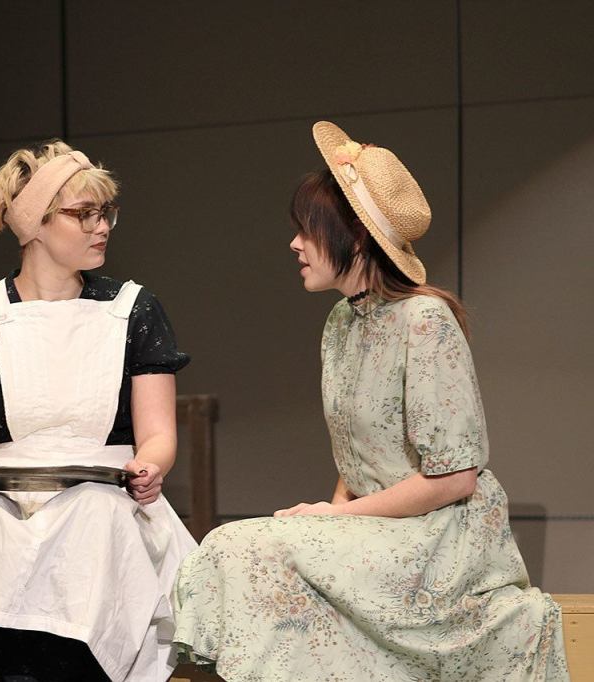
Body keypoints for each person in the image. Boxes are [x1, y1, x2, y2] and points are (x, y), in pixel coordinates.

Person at [171, 122, 570, 681]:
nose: (294, 244)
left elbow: (455, 478)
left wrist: (336, 518)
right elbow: (355, 457)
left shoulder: (424, 320)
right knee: (239, 547)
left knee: (242, 546)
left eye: (307, 231)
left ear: (355, 238)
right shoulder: (341, 322)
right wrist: (332, 517)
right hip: (381, 529)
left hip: (441, 539)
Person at [0, 140, 197, 682]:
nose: (102, 226)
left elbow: (158, 435)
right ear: (35, 224)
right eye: (84, 214)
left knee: (93, 515)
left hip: (103, 485)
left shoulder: (133, 309)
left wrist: (151, 466)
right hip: (5, 489)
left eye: (106, 212)